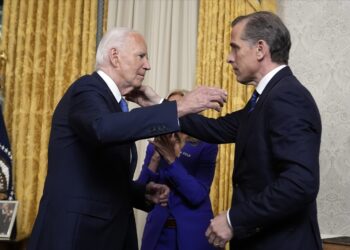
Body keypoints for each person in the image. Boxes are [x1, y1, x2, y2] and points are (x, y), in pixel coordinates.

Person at [27, 28, 227, 250]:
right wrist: (178, 107)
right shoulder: (87, 89)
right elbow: (102, 129)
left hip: (107, 234)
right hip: (77, 236)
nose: (148, 65)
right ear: (115, 57)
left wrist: (141, 193)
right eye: (141, 56)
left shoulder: (113, 104)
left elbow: (100, 176)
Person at [178, 11, 322, 250]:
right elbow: (216, 129)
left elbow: (300, 184)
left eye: (235, 48)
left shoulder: (287, 97)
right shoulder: (266, 98)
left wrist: (234, 219)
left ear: (260, 49)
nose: (228, 58)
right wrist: (160, 106)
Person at [137, 90, 219, 250]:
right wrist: (155, 157)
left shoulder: (207, 145)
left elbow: (196, 195)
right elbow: (141, 191)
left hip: (193, 234)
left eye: (179, 107)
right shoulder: (155, 144)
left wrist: (171, 159)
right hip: (158, 234)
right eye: (169, 108)